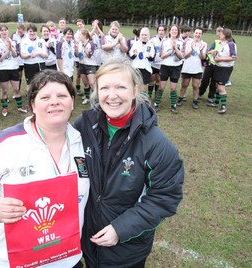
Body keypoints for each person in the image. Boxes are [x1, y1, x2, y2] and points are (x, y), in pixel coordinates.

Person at [0, 69, 90, 268]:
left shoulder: (83, 141)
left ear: (72, 102)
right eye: (45, 97)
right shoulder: (8, 142)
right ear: (32, 104)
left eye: (62, 96)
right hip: (13, 262)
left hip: (67, 260)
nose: (54, 102)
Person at [74, 57, 184, 267]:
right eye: (105, 87)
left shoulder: (156, 144)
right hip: (86, 241)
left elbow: (165, 196)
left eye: (121, 87)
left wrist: (120, 229)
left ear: (135, 90)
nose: (112, 95)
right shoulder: (84, 125)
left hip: (126, 250)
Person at [0, 24, 27, 117]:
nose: (4, 32)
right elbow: (0, 58)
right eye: (2, 30)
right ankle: (5, 108)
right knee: (4, 90)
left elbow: (16, 55)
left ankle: (20, 107)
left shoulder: (13, 42)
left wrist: (11, 48)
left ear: (8, 31)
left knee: (16, 88)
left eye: (5, 30)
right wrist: (8, 50)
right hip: (2, 69)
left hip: (13, 68)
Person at [154, 24, 184, 113]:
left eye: (176, 30)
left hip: (176, 67)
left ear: (178, 32)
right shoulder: (164, 41)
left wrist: (175, 48)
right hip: (165, 66)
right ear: (169, 31)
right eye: (172, 30)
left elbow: (182, 56)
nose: (174, 31)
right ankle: (156, 104)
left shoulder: (181, 42)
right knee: (161, 86)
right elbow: (162, 56)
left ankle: (173, 106)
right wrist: (171, 51)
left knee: (173, 88)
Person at [177, 27, 207, 109]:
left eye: (200, 33)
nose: (198, 35)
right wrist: (191, 49)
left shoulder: (204, 44)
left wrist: (201, 50)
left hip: (197, 69)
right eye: (196, 33)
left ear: (202, 34)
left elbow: (203, 58)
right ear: (194, 33)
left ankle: (195, 101)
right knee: (184, 84)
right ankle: (180, 98)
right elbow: (185, 56)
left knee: (195, 85)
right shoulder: (187, 42)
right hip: (187, 67)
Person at [209, 28, 237, 114]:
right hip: (219, 67)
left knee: (221, 87)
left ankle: (223, 106)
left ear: (225, 35)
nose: (219, 35)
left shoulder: (231, 44)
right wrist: (215, 52)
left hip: (225, 69)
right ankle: (217, 102)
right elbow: (222, 54)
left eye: (220, 33)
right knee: (217, 85)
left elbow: (233, 57)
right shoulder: (222, 44)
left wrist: (220, 59)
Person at [20, 23, 48, 92]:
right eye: (30, 31)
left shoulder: (41, 41)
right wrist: (30, 55)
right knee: (30, 84)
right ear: (27, 32)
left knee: (42, 83)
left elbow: (46, 55)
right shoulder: (23, 41)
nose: (32, 33)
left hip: (40, 64)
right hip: (29, 65)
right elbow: (22, 56)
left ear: (36, 32)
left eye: (34, 31)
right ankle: (30, 99)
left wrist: (38, 53)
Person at [199, 27, 223, 104]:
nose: (220, 35)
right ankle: (200, 93)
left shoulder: (227, 44)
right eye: (219, 33)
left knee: (214, 82)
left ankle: (211, 96)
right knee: (205, 80)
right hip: (210, 64)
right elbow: (209, 51)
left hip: (219, 66)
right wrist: (213, 52)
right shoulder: (216, 42)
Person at [75, 29, 98, 105]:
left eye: (80, 35)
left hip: (90, 65)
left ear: (84, 35)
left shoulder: (90, 43)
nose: (79, 36)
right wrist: (76, 48)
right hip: (82, 64)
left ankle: (96, 99)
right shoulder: (79, 44)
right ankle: (87, 97)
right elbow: (77, 55)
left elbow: (89, 55)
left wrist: (84, 48)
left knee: (92, 83)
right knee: (85, 83)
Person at [128, 27, 154, 92]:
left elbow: (152, 58)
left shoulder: (150, 45)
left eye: (145, 35)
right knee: (135, 86)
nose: (144, 36)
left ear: (148, 35)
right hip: (136, 67)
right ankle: (135, 101)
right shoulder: (136, 44)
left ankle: (143, 101)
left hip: (145, 68)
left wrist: (149, 57)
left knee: (143, 88)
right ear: (140, 35)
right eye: (142, 35)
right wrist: (134, 54)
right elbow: (131, 56)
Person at [148, 24, 167, 99]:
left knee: (158, 79)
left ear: (165, 31)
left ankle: (156, 95)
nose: (161, 32)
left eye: (162, 30)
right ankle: (149, 96)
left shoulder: (167, 40)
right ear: (157, 31)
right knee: (151, 79)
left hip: (162, 64)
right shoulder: (153, 39)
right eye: (159, 30)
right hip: (153, 63)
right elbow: (148, 48)